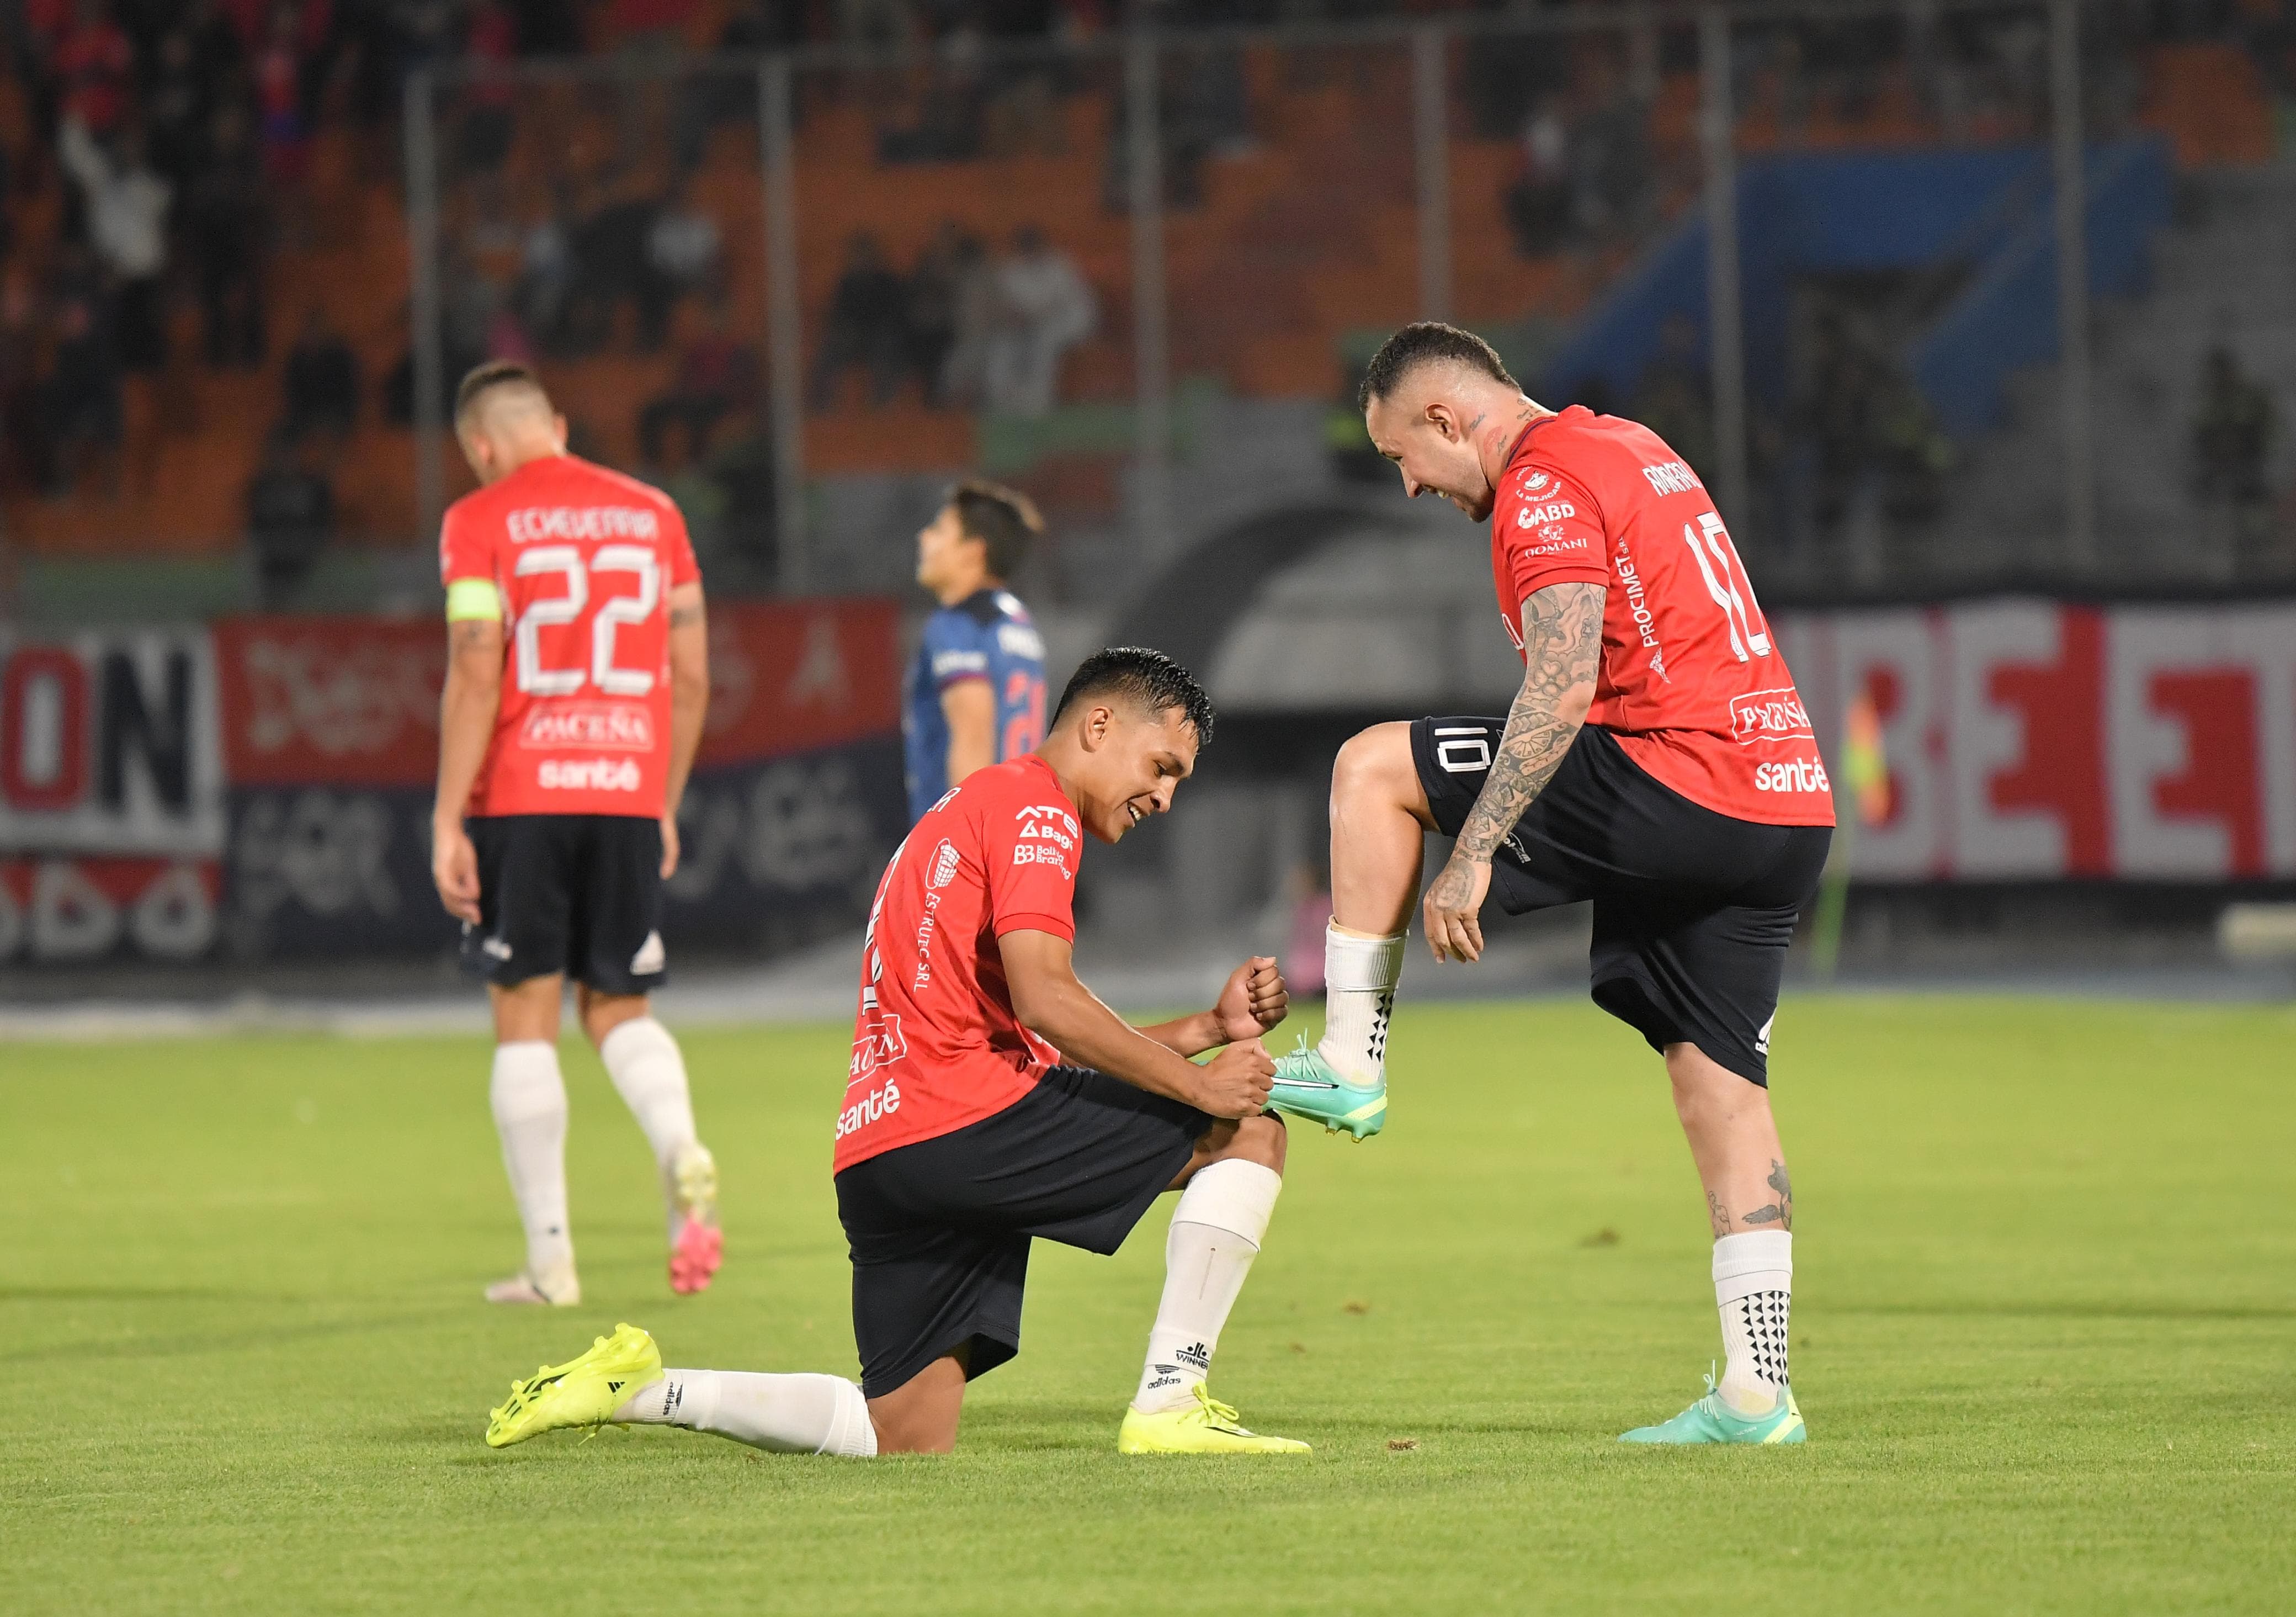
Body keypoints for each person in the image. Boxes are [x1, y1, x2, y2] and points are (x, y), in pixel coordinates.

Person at [483, 648, 1311, 1457]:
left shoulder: (966, 810)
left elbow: (1026, 1040)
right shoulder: (1037, 811)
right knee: (1249, 1133)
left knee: (900, 1434)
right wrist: (1201, 1091)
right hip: (967, 1124)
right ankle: (1171, 1401)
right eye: (1163, 765)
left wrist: (1205, 1028)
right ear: (1099, 724)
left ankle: (638, 1390)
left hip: (885, 1150)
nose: (1165, 796)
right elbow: (1047, 999)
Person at [1268, 322, 1834, 1446]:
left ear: (1445, 417)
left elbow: (1568, 676)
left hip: (1680, 773)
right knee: (1719, 1085)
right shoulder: (1629, 443)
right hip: (1783, 796)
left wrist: (1473, 849)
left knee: (1372, 767)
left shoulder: (1537, 487)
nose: (1410, 486)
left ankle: (1349, 1056)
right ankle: (1758, 1393)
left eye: (1401, 459)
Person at [428, 360, 724, 1306]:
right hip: (628, 787)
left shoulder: (479, 520)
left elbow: (477, 668)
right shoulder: (657, 514)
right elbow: (691, 677)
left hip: (525, 789)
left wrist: (447, 814)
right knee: (618, 1010)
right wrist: (661, 798)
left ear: (481, 446)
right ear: (555, 422)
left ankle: (552, 1261)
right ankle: (678, 1142)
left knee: (526, 1018)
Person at [902, 478, 1047, 825]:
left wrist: (966, 848)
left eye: (939, 529)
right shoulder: (1019, 623)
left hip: (972, 841)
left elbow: (973, 733)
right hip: (1020, 830)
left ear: (973, 550)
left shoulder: (958, 625)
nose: (925, 537)